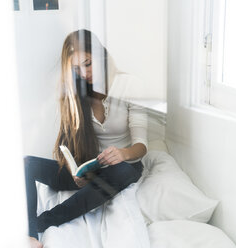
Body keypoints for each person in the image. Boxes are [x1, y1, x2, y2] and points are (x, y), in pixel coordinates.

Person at [25, 29, 148, 248]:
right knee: (27, 164)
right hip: (91, 167)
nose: (84, 73)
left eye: (88, 63)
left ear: (100, 55)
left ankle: (45, 221)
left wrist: (122, 153)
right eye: (76, 68)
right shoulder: (77, 93)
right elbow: (69, 147)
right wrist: (76, 171)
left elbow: (141, 145)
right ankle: (30, 233)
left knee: (118, 171)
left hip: (124, 165)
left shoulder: (130, 84)